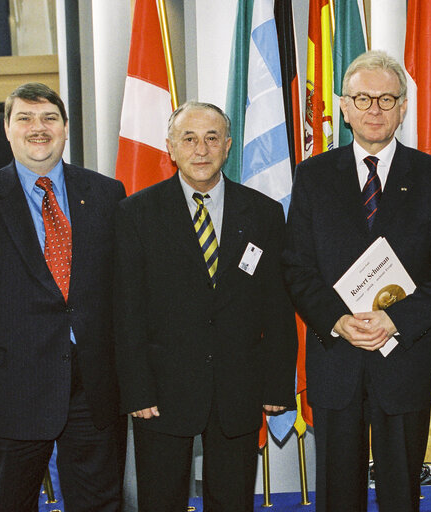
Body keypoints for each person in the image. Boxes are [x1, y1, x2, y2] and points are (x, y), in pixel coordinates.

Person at [283, 51, 431, 512]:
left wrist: (395, 319)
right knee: (336, 494)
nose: (374, 110)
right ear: (344, 107)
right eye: (362, 98)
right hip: (336, 361)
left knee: (401, 493)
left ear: (404, 107)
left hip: (403, 360)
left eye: (387, 99)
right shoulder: (312, 177)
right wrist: (338, 321)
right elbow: (296, 266)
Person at [0, 82, 127, 511]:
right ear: (6, 128)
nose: (38, 128)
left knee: (100, 504)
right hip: (8, 393)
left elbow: (124, 295)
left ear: (65, 128)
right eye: (25, 118)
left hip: (93, 391)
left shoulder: (107, 194)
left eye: (49, 118)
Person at [114, 101, 297, 512]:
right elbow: (127, 312)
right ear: (170, 148)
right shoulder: (135, 214)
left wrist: (278, 384)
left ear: (227, 146)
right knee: (161, 502)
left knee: (232, 502)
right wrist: (137, 388)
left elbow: (278, 307)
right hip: (161, 392)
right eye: (189, 139)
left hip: (240, 389)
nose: (201, 149)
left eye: (212, 138)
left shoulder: (264, 213)